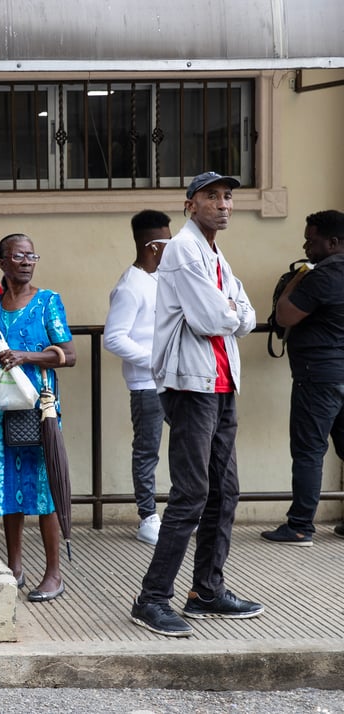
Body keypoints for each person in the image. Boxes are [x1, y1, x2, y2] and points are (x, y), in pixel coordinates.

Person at [130, 171, 263, 638]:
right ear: (190, 205)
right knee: (192, 494)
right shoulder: (185, 250)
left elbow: (246, 315)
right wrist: (231, 310)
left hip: (221, 386)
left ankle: (206, 590)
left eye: (228, 197)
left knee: (225, 492)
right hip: (191, 386)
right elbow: (212, 318)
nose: (223, 204)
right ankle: (151, 598)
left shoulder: (213, 252)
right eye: (212, 197)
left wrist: (232, 310)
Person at [0, 233, 76, 602]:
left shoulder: (47, 302)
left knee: (45, 490)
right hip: (7, 409)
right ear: (3, 263)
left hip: (42, 408)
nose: (28, 261)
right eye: (19, 256)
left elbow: (69, 354)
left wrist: (25, 356)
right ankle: (15, 567)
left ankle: (53, 573)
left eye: (32, 255)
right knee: (10, 490)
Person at [260, 210, 344, 547]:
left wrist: (297, 278)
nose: (306, 245)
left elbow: (285, 314)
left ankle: (299, 527)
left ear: (333, 242)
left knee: (309, 450)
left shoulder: (323, 275)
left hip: (319, 375)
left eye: (312, 240)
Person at [103, 210, 172, 545]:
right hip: (147, 384)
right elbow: (114, 337)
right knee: (147, 451)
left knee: (186, 448)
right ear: (153, 246)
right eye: (168, 242)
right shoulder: (130, 286)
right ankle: (148, 518)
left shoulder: (162, 279)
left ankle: (180, 515)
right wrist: (156, 361)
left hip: (175, 380)